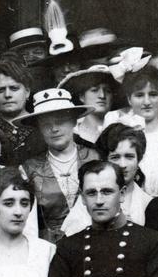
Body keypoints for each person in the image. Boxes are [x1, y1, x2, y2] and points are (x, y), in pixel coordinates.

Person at [20, 88, 99, 239]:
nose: (54, 129)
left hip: (94, 241)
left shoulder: (95, 157)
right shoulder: (29, 168)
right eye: (46, 124)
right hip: (50, 247)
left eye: (61, 121)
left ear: (73, 121)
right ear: (39, 128)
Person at [61, 124, 152, 237]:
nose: (122, 165)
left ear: (139, 159)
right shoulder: (90, 198)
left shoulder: (148, 202)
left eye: (129, 157)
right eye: (115, 157)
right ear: (105, 160)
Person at [102, 65, 158, 195]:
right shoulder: (117, 133)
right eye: (139, 95)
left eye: (153, 94)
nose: (147, 101)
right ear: (129, 99)